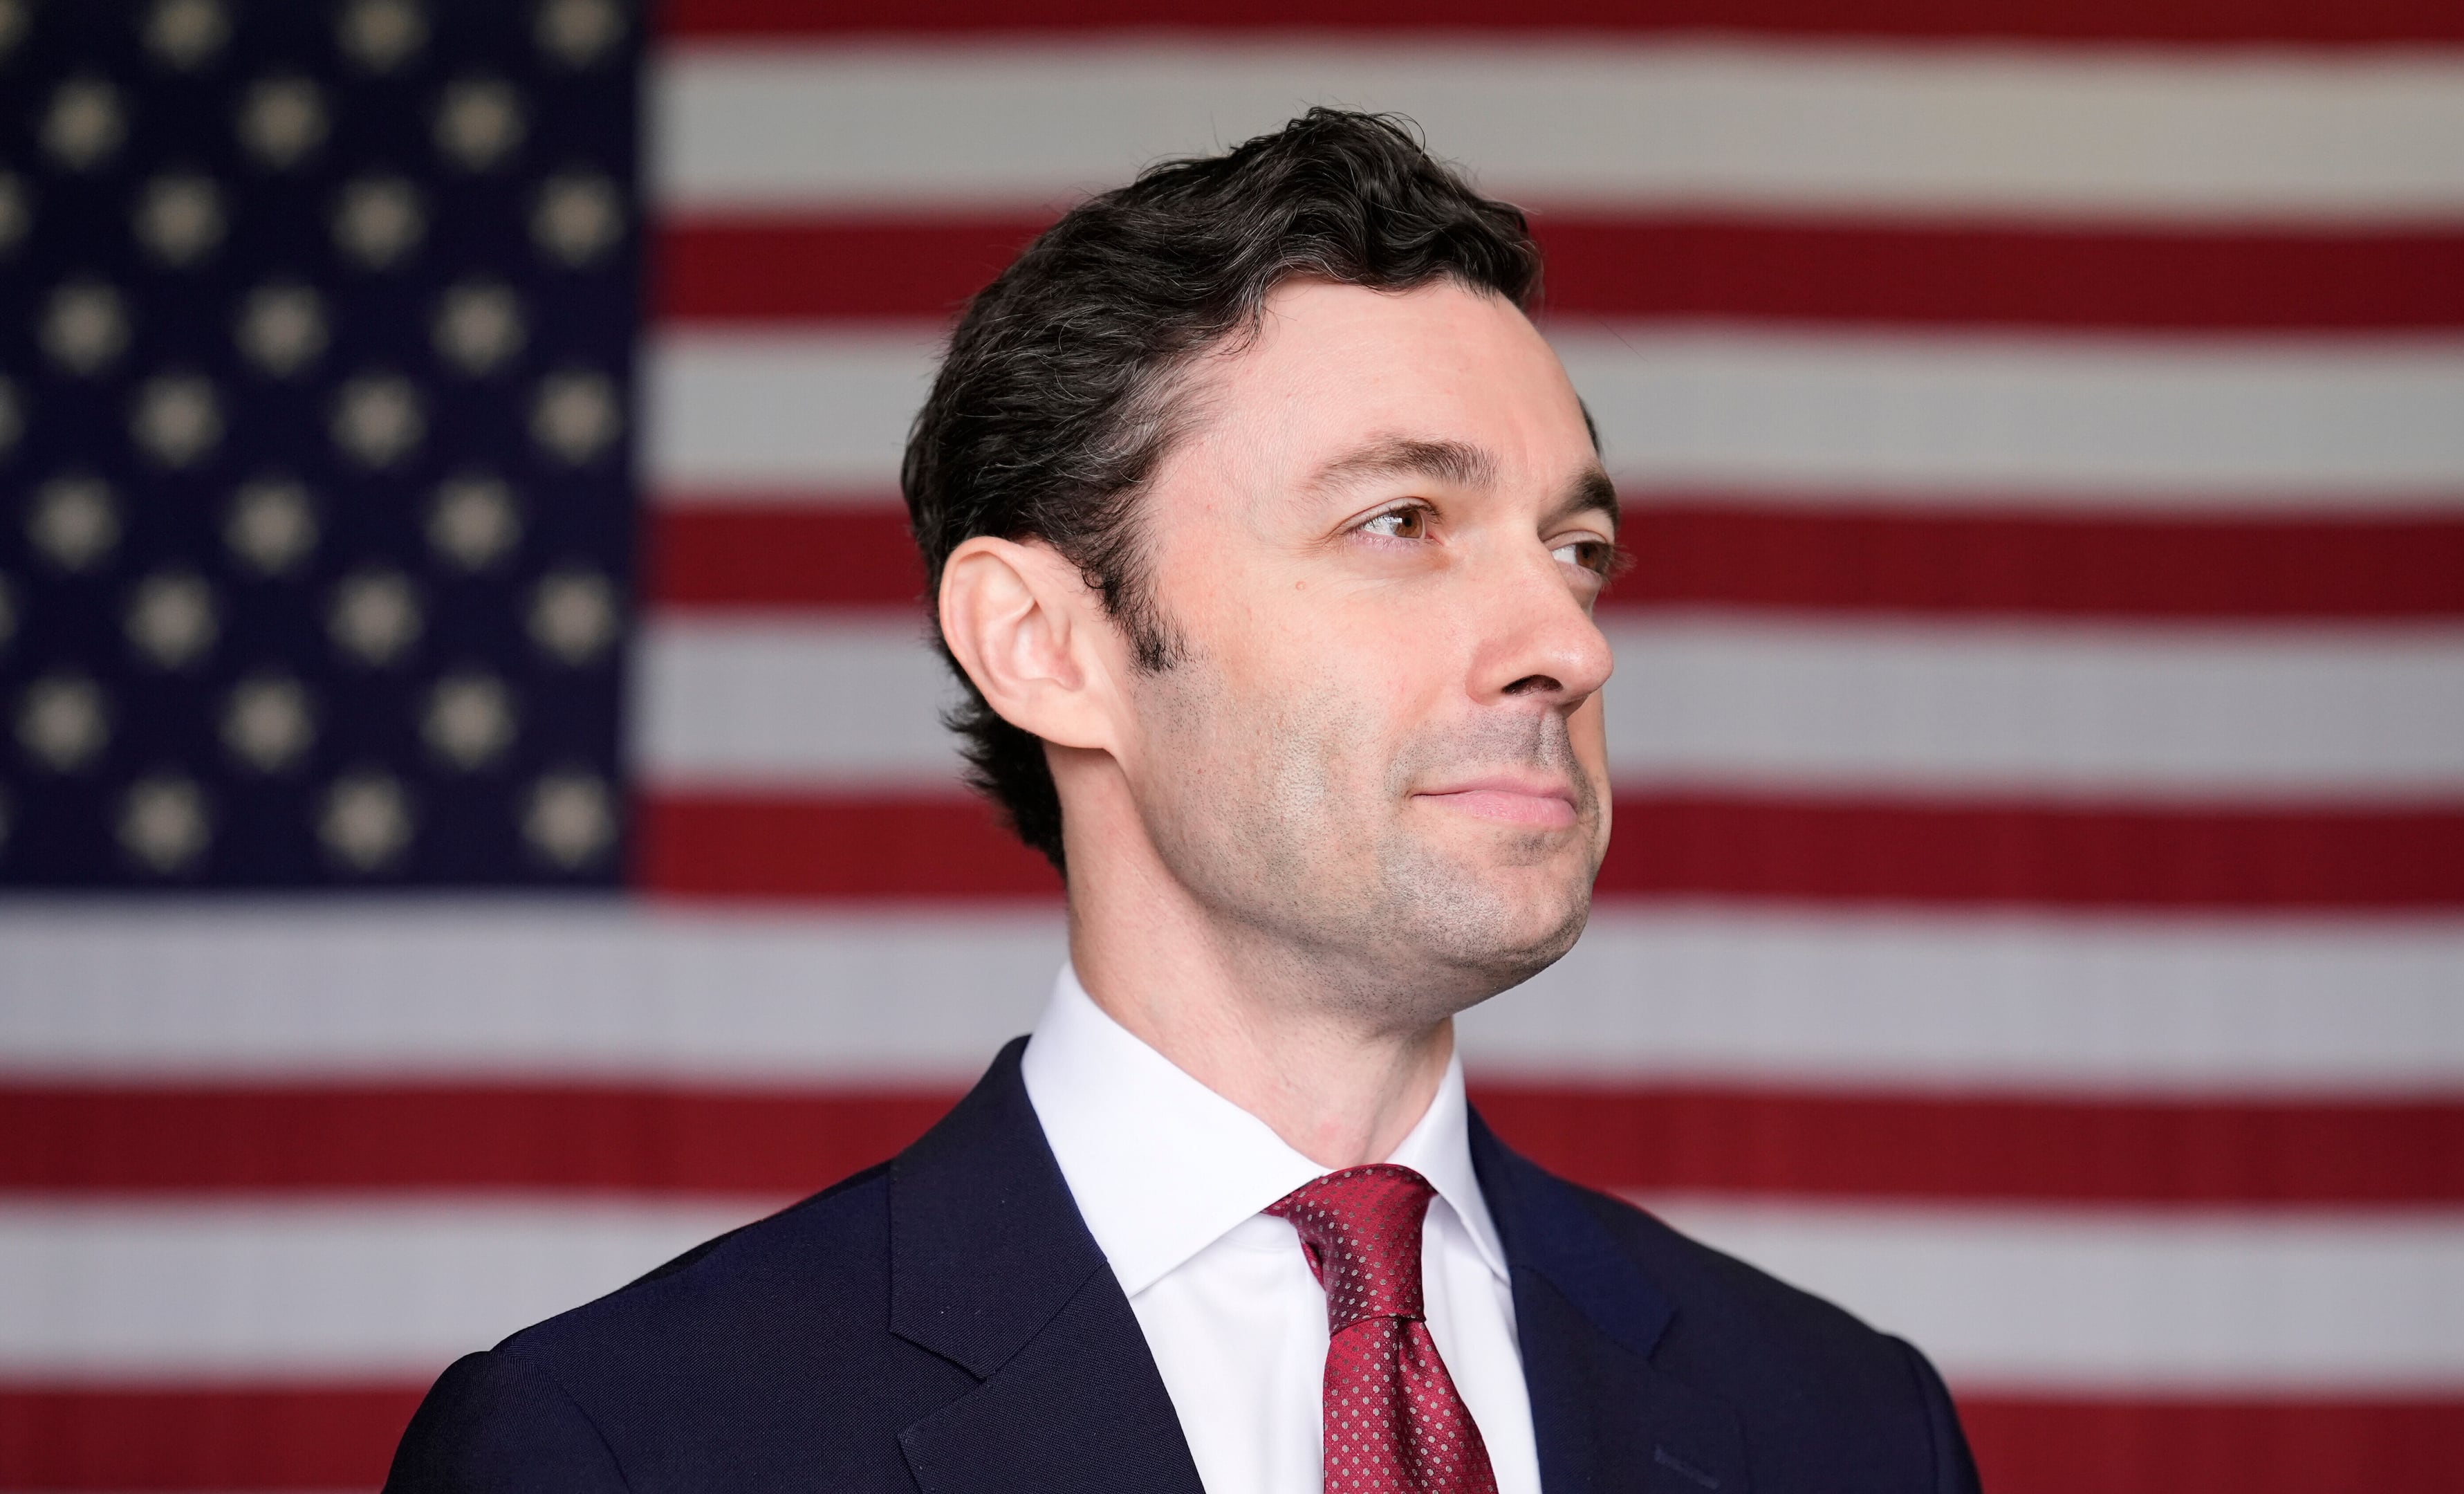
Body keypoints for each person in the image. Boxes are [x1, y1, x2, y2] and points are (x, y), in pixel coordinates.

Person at [386, 109, 1980, 1494]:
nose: (1570, 644)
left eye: (1577, 551)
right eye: (1402, 521)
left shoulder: (1847, 1428)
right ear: (1045, 645)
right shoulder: (627, 1445)